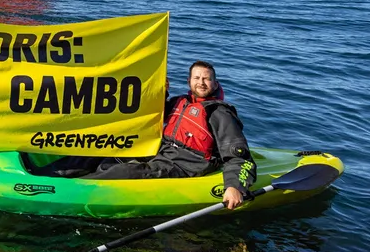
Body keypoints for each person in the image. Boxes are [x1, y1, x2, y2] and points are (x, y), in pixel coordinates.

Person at [39, 61, 256, 210]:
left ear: (215, 84)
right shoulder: (180, 102)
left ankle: (65, 194)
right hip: (158, 150)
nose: (201, 82)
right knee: (99, 153)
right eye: (197, 78)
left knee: (126, 171)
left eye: (207, 79)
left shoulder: (219, 113)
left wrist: (234, 186)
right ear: (189, 81)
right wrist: (160, 91)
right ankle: (44, 176)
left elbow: (239, 156)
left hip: (184, 165)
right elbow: (152, 113)